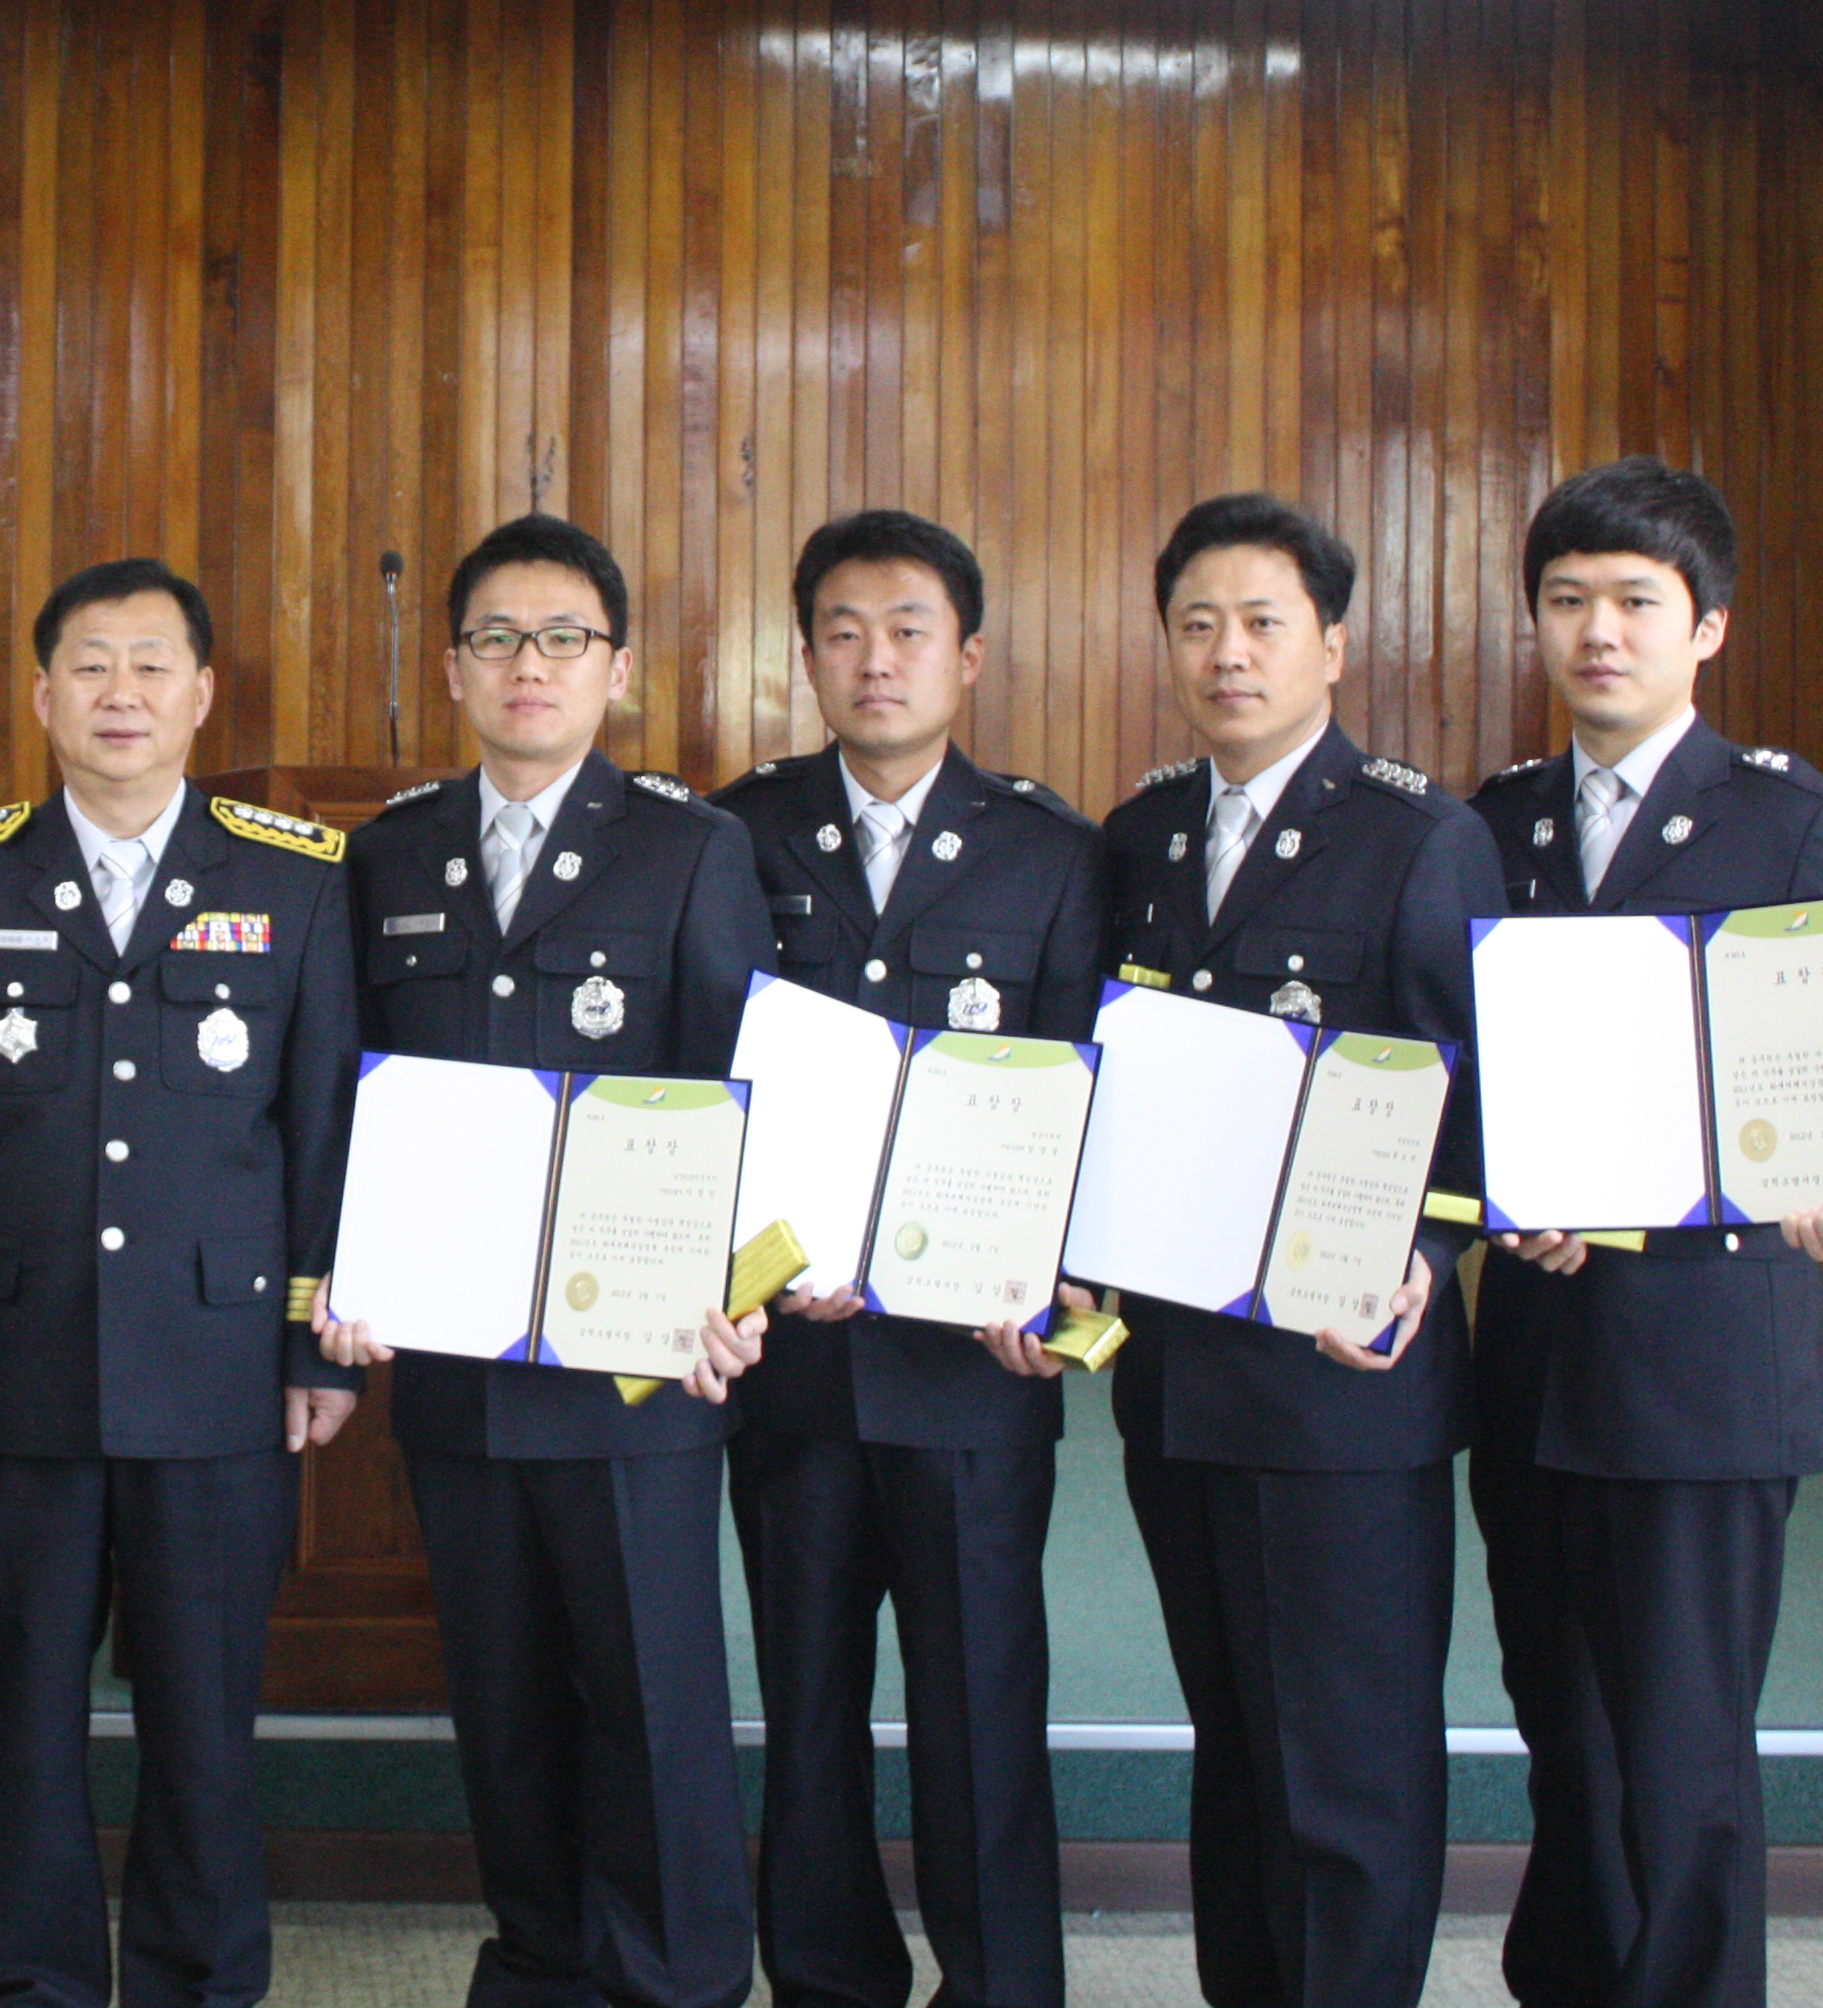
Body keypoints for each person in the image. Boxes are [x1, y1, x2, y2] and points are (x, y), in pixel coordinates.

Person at [1468, 459, 1823, 2008]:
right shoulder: (1498, 825)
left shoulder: (1792, 822)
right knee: (1564, 1738)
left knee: (1682, 1756)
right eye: (1567, 600)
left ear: (1709, 627)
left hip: (1704, 1374)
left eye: (1636, 601)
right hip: (1535, 1365)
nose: (1598, 631)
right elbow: (1456, 1077)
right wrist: (1496, 1186)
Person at [0, 557, 361, 2008]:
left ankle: (199, 1985)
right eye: (90, 664)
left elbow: (324, 1128)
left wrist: (313, 1345)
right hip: (14, 1368)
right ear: (42, 695)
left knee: (204, 1726)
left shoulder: (295, 877)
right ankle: (30, 1987)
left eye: (152, 665)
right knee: (23, 1720)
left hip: (219, 1373)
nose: (120, 692)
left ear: (201, 695)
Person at [321, 514, 771, 2008]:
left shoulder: (691, 850)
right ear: (454, 667)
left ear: (616, 669)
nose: (531, 665)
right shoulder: (388, 855)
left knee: (653, 1706)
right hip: (459, 1370)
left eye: (564, 638)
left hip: (637, 1374)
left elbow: (749, 1105)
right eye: (499, 638)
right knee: (504, 1714)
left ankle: (678, 1981)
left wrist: (738, 1294)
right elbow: (345, 1095)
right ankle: (538, 1965)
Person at [1095, 492, 1505, 2008]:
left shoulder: (1420, 836)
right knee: (1237, 1744)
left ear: (1331, 644)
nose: (1229, 652)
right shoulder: (1141, 836)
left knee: (1348, 1759)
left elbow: (1481, 1098)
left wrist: (1423, 1252)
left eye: (1264, 622)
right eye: (1198, 623)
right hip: (1181, 1381)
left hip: (1344, 1379)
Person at [711, 509, 1105, 2008]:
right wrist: (747, 1260)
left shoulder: (1052, 853)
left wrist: (1055, 1278)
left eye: (910, 630)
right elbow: (705, 1087)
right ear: (807, 656)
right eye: (844, 631)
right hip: (795, 1360)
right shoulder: (735, 838)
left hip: (969, 1370)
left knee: (981, 1707)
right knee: (806, 1705)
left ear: (970, 657)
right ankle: (826, 1979)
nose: (876, 660)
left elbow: (1081, 1100)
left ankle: (1001, 1986)